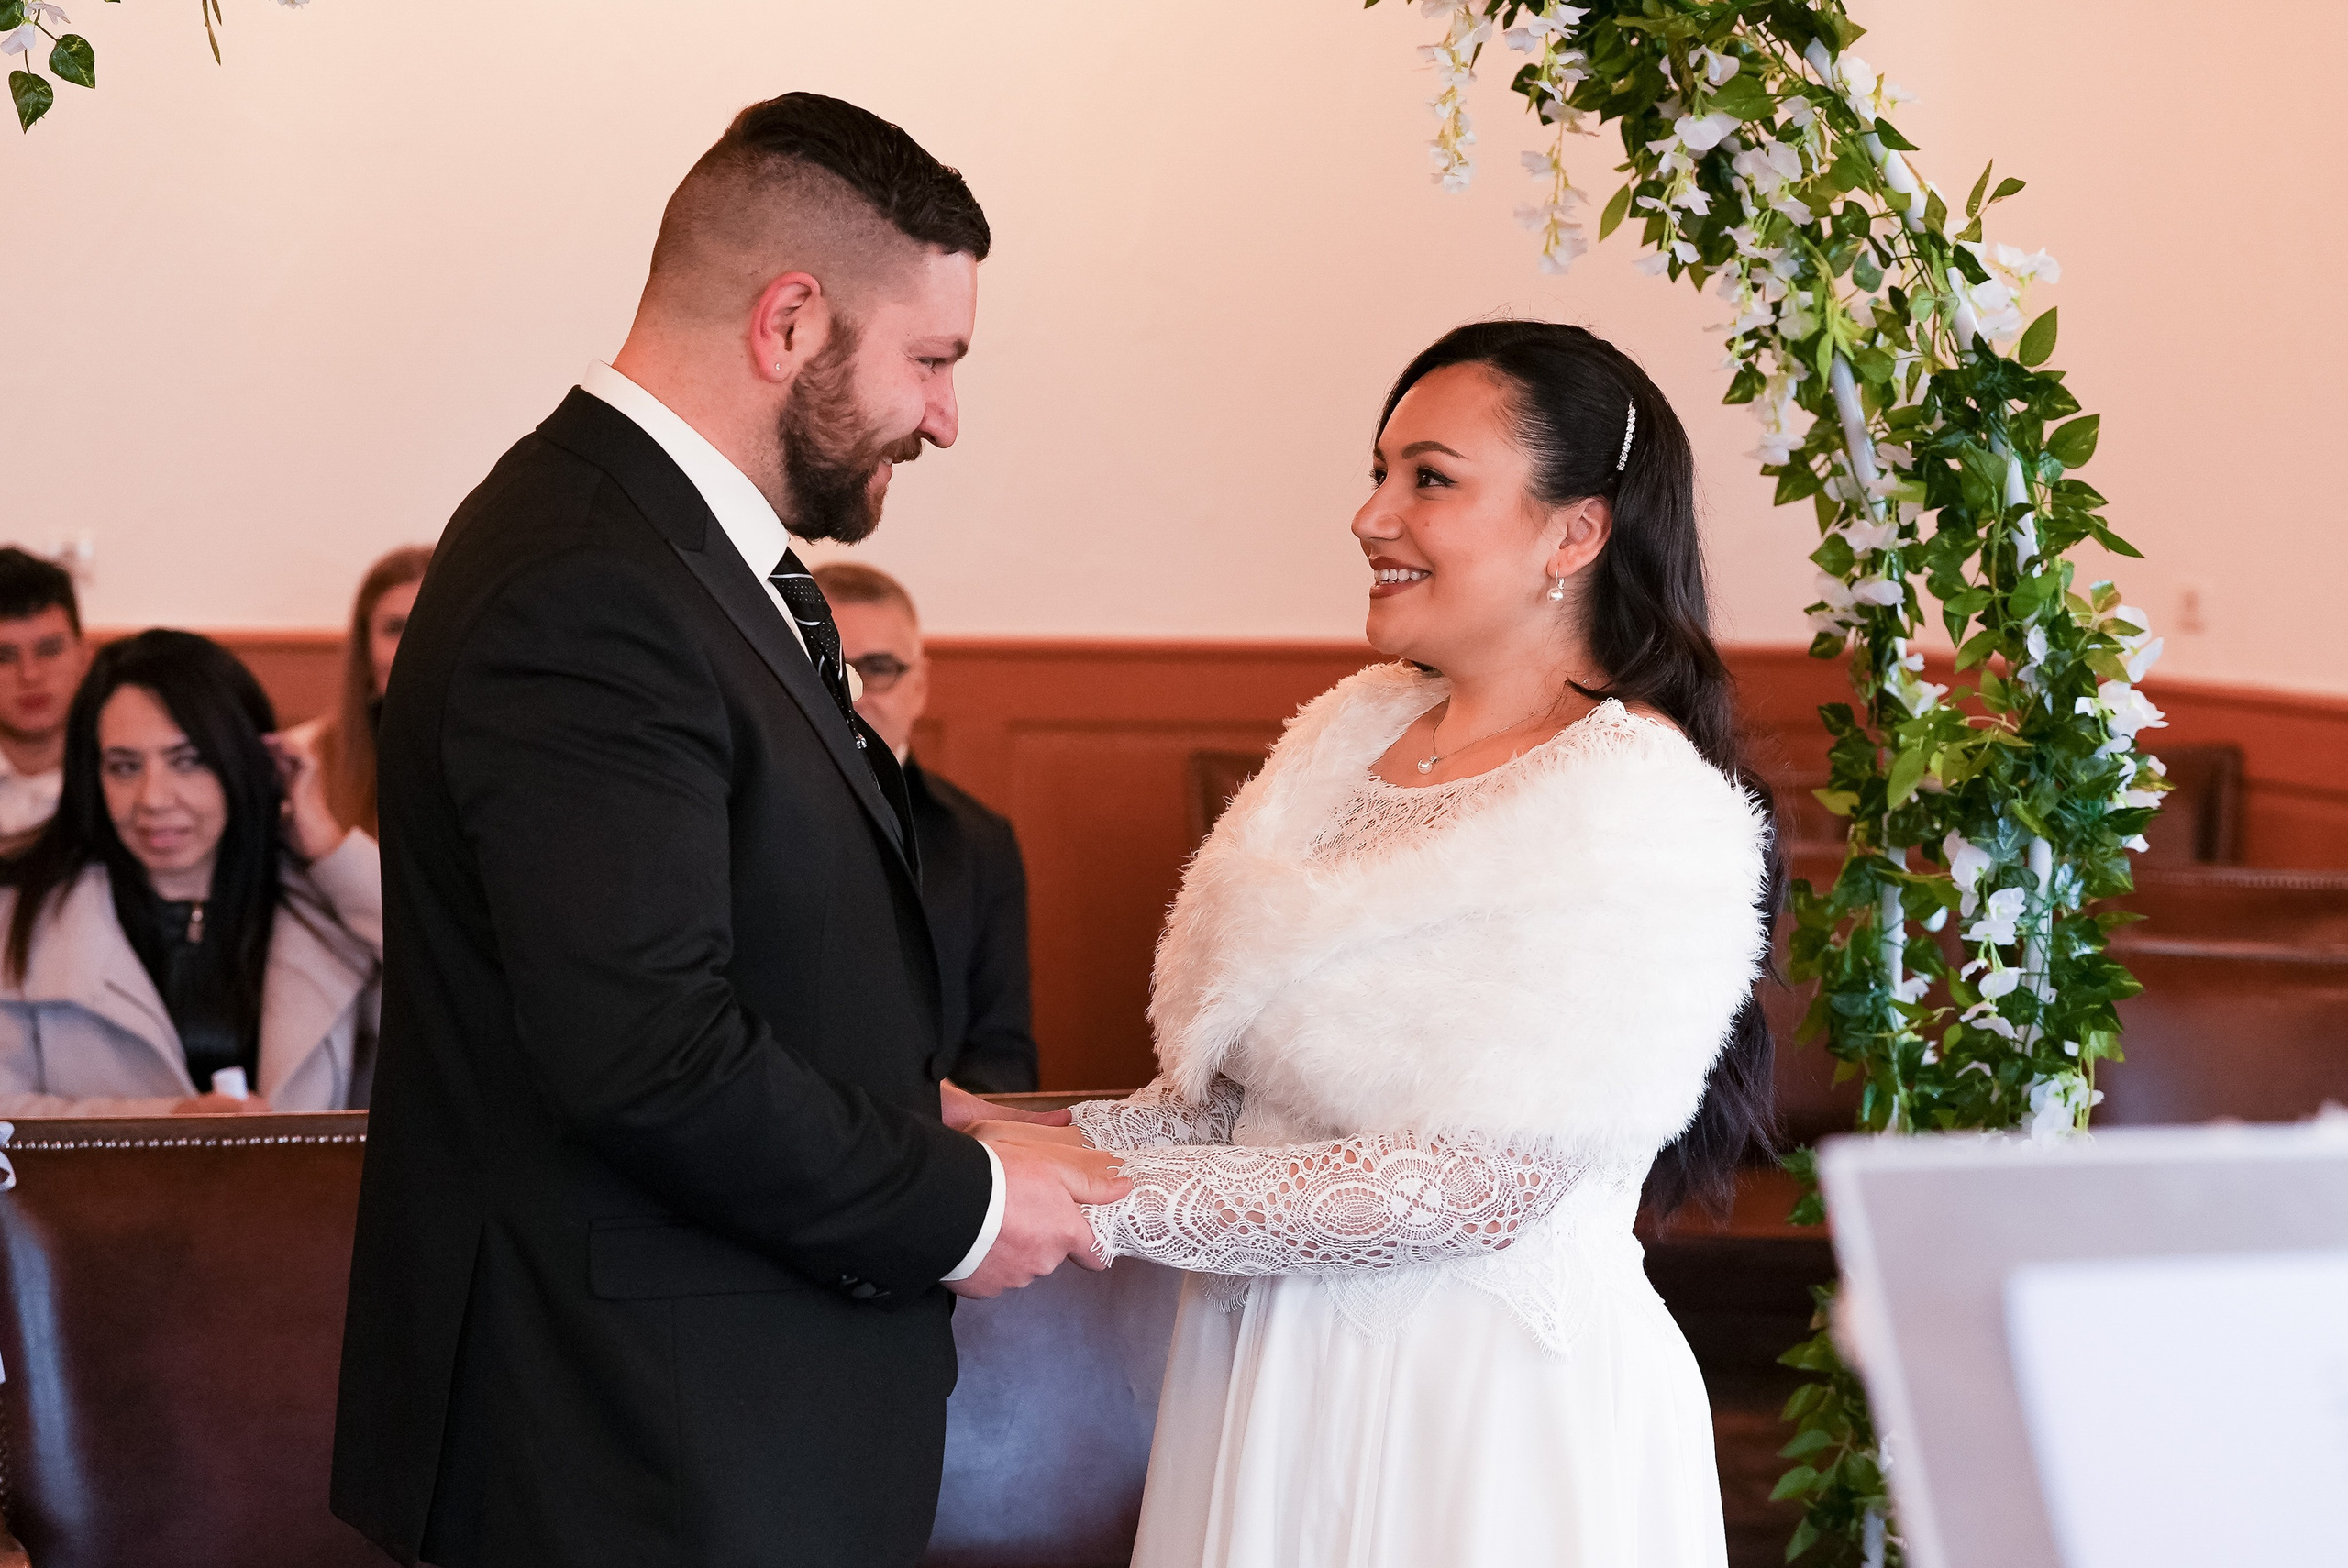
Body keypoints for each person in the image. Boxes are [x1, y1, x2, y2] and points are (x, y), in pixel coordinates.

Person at [330, 93, 1124, 1568]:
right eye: (932, 360)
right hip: (636, 1450)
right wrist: (957, 1202)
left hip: (705, 1429)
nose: (949, 414)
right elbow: (638, 1044)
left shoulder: (660, 549)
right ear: (790, 322)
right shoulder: (588, 580)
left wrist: (910, 1100)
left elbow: (711, 952)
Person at [1059, 321, 1779, 1566]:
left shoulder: (1641, 802)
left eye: (1429, 479)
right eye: (1379, 470)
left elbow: (1479, 1182)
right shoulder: (1341, 737)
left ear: (1575, 531)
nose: (1370, 514)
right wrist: (988, 1139)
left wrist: (1086, 1203)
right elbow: (1232, 1111)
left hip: (1475, 1404)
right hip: (1262, 1368)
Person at [0, 630, 382, 1116]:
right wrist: (170, 1127)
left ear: (243, 762)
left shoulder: (325, 906)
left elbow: (448, 988)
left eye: (187, 762)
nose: (153, 799)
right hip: (100, 1195)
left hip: (304, 1194)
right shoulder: (21, 913)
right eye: (123, 767)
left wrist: (328, 846)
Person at [815, 561, 1040, 1092]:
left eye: (880, 668)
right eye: (829, 667)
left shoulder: (981, 841)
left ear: (919, 686)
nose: (854, 694)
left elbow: (1002, 1051)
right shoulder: (733, 816)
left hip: (938, 1145)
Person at [289, 545, 432, 839]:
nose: (416, 649)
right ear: (365, 654)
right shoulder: (303, 763)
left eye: (434, 627)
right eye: (396, 628)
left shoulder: (513, 757)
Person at [0, 547, 92, 854]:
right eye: (4, 656)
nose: (30, 675)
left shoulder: (123, 773)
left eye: (50, 650)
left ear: (84, 657)